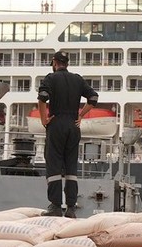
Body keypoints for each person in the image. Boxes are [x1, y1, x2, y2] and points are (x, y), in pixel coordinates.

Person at [37, 50, 98, 216]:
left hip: (57, 123)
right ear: (67, 64)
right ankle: (71, 208)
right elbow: (93, 98)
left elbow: (43, 97)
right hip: (73, 125)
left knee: (54, 163)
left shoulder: (51, 78)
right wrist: (80, 114)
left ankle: (56, 206)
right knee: (71, 165)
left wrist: (44, 119)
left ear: (55, 62)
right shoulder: (77, 79)